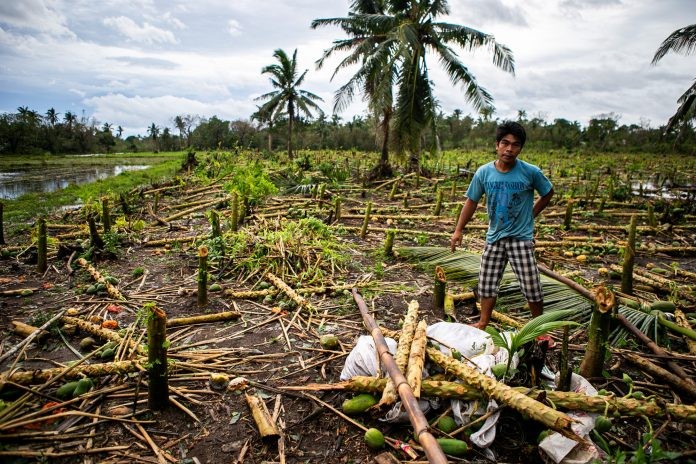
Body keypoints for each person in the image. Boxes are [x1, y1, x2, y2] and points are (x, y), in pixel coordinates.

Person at [450, 121, 554, 330]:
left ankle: (538, 328)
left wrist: (531, 214)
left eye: (515, 145)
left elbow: (548, 192)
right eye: (505, 143)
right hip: (495, 237)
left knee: (531, 285)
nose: (509, 149)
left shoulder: (530, 172)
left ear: (521, 148)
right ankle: (483, 321)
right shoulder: (484, 173)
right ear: (497, 145)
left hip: (520, 239)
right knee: (487, 284)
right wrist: (458, 230)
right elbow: (471, 201)